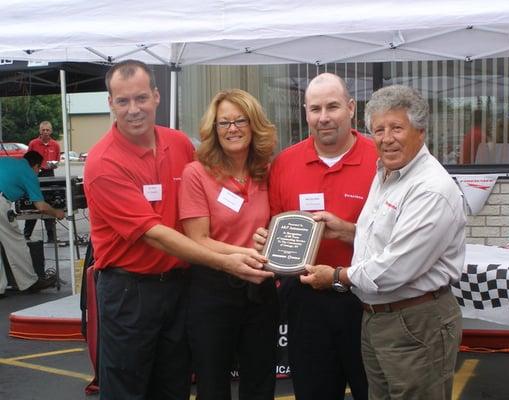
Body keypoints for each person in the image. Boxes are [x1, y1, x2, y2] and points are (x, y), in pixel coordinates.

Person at [84, 60, 273, 400]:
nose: (133, 109)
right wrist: (227, 260)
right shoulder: (103, 163)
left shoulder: (179, 144)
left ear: (157, 96)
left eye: (141, 98)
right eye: (123, 101)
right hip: (131, 291)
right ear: (110, 103)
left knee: (173, 385)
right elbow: (155, 233)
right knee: (127, 385)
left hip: (179, 287)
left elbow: (208, 197)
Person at [302, 85, 466, 400]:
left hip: (415, 323)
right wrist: (347, 231)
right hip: (380, 319)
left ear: (420, 131)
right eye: (378, 129)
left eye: (396, 128)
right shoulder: (388, 172)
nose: (386, 138)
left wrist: (336, 276)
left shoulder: (429, 188)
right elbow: (387, 238)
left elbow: (396, 267)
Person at [256, 73, 376, 400]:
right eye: (315, 109)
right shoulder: (284, 164)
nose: (324, 117)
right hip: (306, 302)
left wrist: (351, 233)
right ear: (305, 113)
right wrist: (263, 243)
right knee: (314, 392)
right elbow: (274, 230)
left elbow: (396, 237)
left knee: (374, 392)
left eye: (333, 107)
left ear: (351, 108)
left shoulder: (379, 159)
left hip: (365, 299)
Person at [179, 89, 279, 400]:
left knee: (261, 380)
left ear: (254, 125)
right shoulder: (196, 173)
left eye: (240, 120)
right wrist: (246, 253)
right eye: (224, 123)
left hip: (260, 290)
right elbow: (198, 239)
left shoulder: (267, 172)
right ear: (213, 130)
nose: (232, 129)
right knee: (213, 384)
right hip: (212, 290)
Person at [0, 151, 64, 297]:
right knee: (16, 243)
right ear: (35, 165)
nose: (38, 172)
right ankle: (30, 282)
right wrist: (57, 212)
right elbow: (41, 206)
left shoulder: (6, 161)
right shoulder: (28, 172)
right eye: (39, 169)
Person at [24, 121, 61, 242]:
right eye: (43, 130)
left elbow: (57, 161)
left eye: (47, 130)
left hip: (49, 174)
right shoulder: (33, 143)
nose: (45, 132)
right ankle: (26, 234)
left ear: (51, 131)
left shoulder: (55, 145)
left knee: (49, 203)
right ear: (40, 131)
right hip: (35, 175)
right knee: (33, 204)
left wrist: (53, 165)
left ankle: (51, 236)